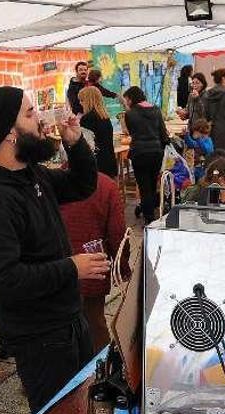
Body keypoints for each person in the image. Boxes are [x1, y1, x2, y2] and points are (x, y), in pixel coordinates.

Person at [0, 86, 106, 414]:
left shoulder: (30, 172)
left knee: (83, 408)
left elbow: (82, 185)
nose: (39, 119)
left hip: (67, 317)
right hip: (40, 335)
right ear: (9, 133)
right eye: (29, 114)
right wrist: (72, 268)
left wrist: (74, 142)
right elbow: (2, 279)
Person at [59, 172, 129, 353]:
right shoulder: (106, 185)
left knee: (62, 327)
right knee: (94, 323)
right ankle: (101, 370)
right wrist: (121, 267)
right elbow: (117, 233)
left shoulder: (49, 181)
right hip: (92, 267)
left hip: (57, 269)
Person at [123, 86, 170, 224]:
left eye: (127, 100)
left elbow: (132, 133)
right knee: (151, 183)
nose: (126, 103)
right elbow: (163, 133)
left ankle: (149, 218)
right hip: (156, 152)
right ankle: (147, 208)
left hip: (139, 153)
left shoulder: (130, 114)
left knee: (144, 187)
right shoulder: (156, 110)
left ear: (131, 99)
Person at [79, 86, 118, 178]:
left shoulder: (87, 118)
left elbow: (86, 144)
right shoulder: (105, 117)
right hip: (109, 161)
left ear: (88, 100)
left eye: (82, 100)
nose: (80, 103)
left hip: (96, 163)